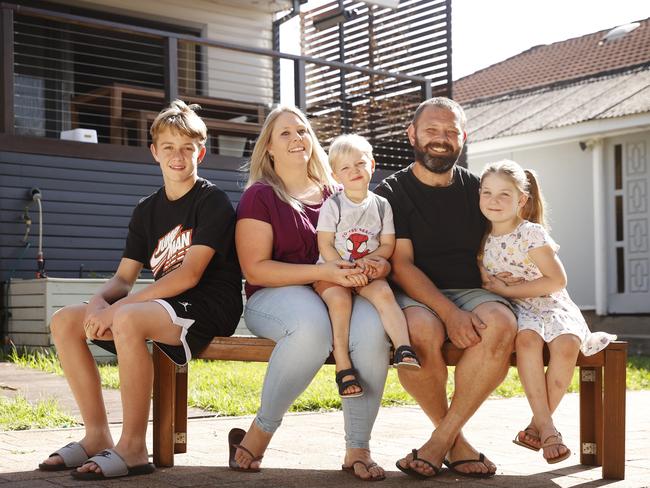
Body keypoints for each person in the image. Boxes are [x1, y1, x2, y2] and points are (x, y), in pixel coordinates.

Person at [38, 100, 243, 480]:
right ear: (154, 153)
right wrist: (100, 302)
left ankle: (133, 447)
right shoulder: (146, 210)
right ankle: (96, 435)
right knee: (66, 320)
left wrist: (118, 310)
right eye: (168, 147)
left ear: (201, 151)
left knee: (128, 317)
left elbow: (189, 275)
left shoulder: (211, 200)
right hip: (165, 303)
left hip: (210, 303)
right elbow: (123, 279)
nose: (177, 156)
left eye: (187, 148)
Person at [231, 106, 391, 481]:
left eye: (302, 131)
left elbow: (370, 243)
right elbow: (256, 269)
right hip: (274, 294)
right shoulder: (260, 197)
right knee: (312, 328)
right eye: (284, 133)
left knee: (371, 333)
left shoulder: (340, 192)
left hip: (340, 290)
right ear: (268, 147)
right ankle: (260, 431)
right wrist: (322, 271)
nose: (296, 138)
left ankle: (358, 447)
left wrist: (377, 264)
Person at [374, 97, 517, 479]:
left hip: (472, 289)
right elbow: (400, 265)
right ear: (412, 135)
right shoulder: (391, 192)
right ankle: (457, 444)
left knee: (501, 325)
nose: (441, 139)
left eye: (451, 132)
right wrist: (450, 313)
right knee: (421, 330)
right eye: (432, 131)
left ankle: (439, 442)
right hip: (413, 292)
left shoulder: (478, 190)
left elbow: (512, 235)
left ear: (463, 137)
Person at [478, 159, 616, 464]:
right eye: (486, 193)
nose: (494, 201)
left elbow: (556, 280)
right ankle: (549, 429)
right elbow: (483, 280)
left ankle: (535, 425)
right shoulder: (479, 239)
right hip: (516, 310)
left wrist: (506, 288)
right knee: (527, 341)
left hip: (551, 304)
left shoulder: (531, 234)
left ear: (521, 200)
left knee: (567, 343)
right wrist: (499, 288)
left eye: (504, 194)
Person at [314, 134, 420, 399]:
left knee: (385, 294)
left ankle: (403, 347)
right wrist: (342, 270)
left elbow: (386, 244)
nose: (355, 171)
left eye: (360, 164)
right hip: (333, 270)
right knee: (339, 302)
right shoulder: (334, 205)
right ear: (336, 175)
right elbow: (325, 243)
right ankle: (342, 362)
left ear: (372, 165)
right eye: (346, 168)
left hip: (367, 271)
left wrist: (374, 262)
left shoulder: (382, 205)